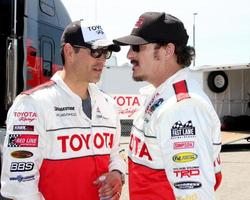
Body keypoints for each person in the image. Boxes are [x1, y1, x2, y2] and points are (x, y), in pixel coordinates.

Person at [1, 19, 125, 200]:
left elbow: (115, 154)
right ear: (69, 52)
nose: (101, 60)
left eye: (105, 53)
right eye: (95, 51)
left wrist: (117, 173)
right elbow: (19, 185)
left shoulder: (108, 104)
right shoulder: (32, 104)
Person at [113, 12, 222, 200]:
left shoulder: (181, 108)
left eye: (137, 47)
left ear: (167, 50)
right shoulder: (160, 95)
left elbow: (194, 194)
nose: (129, 55)